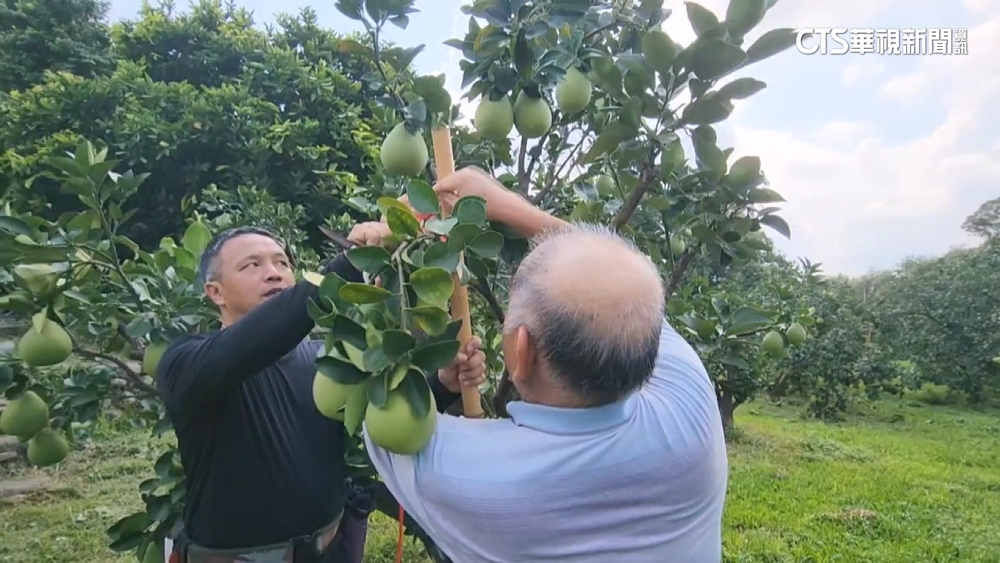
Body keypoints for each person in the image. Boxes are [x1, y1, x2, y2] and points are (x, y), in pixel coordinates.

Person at [358, 168, 730, 562]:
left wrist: (384, 264)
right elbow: (627, 291)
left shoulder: (465, 474)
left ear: (522, 352)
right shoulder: (692, 414)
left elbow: (380, 423)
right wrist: (508, 207)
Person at [154, 225, 487, 563]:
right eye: (251, 265)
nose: (274, 273)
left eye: (282, 263)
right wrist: (352, 263)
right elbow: (259, 336)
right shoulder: (184, 363)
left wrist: (443, 384)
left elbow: (382, 420)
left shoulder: (325, 359)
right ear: (216, 292)